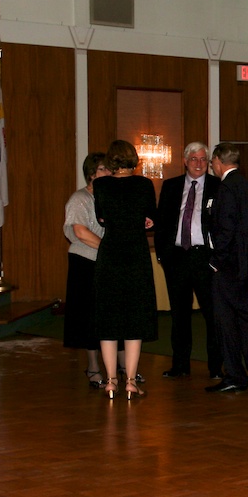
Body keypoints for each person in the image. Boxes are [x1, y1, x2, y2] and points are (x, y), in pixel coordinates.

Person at [93, 139, 158, 400]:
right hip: (136, 254)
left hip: (110, 254)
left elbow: (101, 217)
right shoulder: (144, 185)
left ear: (111, 160)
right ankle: (130, 381)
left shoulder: (100, 185)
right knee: (135, 317)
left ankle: (110, 382)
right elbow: (150, 220)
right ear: (133, 159)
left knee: (108, 317)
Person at [205, 142, 248, 392]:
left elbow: (226, 230)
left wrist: (215, 261)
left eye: (212, 162)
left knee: (226, 322)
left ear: (219, 161)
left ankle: (234, 376)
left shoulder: (226, 189)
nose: (212, 166)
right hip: (245, 267)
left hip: (227, 267)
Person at [155, 142, 223, 380]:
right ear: (185, 161)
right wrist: (163, 254)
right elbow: (162, 221)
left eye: (203, 159)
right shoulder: (171, 186)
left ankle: (216, 368)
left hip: (205, 258)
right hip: (177, 258)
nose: (199, 164)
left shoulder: (218, 187)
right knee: (179, 315)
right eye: (194, 159)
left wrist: (217, 258)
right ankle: (180, 365)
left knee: (212, 315)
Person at [63, 153, 110, 388]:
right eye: (103, 169)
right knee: (89, 318)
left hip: (107, 263)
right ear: (92, 173)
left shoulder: (111, 197)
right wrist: (109, 249)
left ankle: (122, 367)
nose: (109, 173)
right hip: (86, 263)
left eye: (110, 169)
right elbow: (80, 232)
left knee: (111, 316)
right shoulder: (79, 199)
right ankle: (93, 367)